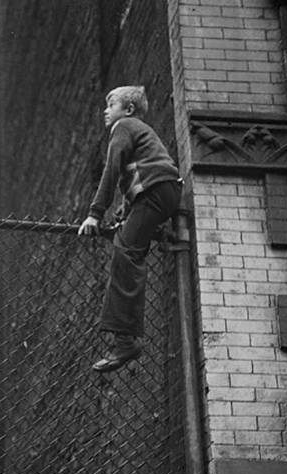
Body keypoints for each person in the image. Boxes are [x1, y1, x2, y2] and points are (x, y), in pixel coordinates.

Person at [78, 85, 182, 372]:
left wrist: (95, 214)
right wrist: (124, 211)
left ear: (128, 109)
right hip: (162, 193)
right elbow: (135, 174)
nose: (105, 110)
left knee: (125, 251)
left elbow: (112, 170)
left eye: (111, 104)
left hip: (156, 192)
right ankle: (125, 338)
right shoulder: (138, 130)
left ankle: (126, 342)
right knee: (129, 246)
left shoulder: (123, 126)